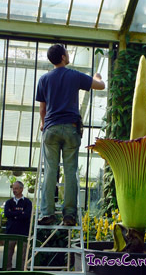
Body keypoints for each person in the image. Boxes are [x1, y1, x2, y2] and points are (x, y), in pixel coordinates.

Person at [36, 44, 105, 226]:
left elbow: (42, 109)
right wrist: (96, 76)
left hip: (51, 129)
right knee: (70, 171)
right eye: (67, 52)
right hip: (71, 128)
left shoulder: (43, 79)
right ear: (63, 57)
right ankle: (69, 215)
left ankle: (47, 212)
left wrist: (44, 124)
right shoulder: (74, 75)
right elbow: (100, 85)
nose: (68, 54)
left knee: (50, 171)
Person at [4, 181, 32, 270]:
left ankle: (21, 270)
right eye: (13, 188)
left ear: (21, 189)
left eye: (16, 188)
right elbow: (7, 214)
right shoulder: (9, 202)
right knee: (8, 254)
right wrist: (20, 212)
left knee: (23, 254)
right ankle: (7, 270)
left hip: (23, 232)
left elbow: (27, 215)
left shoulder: (27, 202)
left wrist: (14, 214)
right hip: (10, 232)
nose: (14, 190)